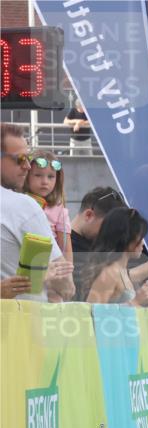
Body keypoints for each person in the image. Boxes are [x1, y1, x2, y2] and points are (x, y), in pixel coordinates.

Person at [0, 123, 73, 302]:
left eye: (28, 158)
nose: (27, 166)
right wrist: (41, 276)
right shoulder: (23, 207)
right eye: (20, 159)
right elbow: (66, 286)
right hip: (21, 324)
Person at [81, 207, 148, 306]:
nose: (142, 243)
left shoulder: (121, 271)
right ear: (126, 238)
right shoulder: (109, 273)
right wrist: (135, 302)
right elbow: (93, 313)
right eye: (140, 237)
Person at [24, 152, 73, 263]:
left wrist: (67, 275)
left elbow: (65, 248)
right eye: (38, 175)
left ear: (57, 179)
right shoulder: (18, 201)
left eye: (51, 176)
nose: (45, 182)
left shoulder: (60, 209)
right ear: (27, 176)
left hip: (50, 264)